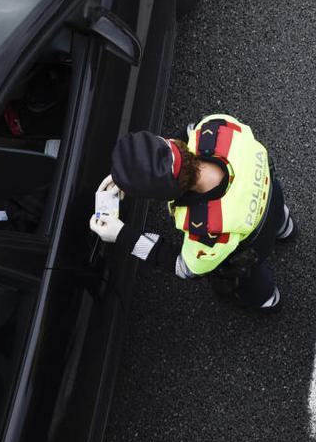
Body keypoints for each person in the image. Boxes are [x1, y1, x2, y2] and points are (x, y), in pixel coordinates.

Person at [89, 114, 295, 311]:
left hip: (256, 244)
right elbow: (183, 138)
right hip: (273, 195)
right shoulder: (214, 126)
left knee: (243, 278)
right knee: (278, 217)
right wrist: (131, 177)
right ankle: (287, 229)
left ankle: (268, 301)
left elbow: (185, 267)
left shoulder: (208, 232)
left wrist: (123, 235)